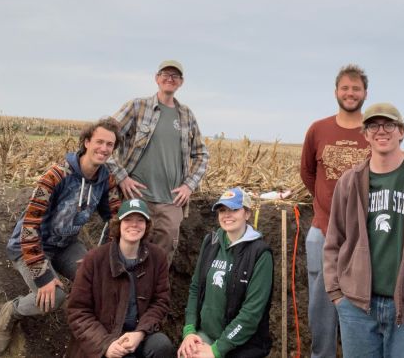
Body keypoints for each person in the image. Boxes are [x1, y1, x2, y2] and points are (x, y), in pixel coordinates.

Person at [324, 103, 404, 358]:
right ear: (365, 134)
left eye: (389, 125)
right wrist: (338, 294)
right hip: (357, 309)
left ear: (402, 132)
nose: (381, 131)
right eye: (373, 125)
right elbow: (334, 241)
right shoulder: (349, 183)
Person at [0, 118, 121, 356]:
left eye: (109, 144)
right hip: (29, 245)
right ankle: (13, 311)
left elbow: (114, 216)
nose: (104, 148)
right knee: (55, 296)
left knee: (97, 280)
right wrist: (43, 274)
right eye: (99, 141)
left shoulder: (105, 180)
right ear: (87, 142)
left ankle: (85, 337)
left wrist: (108, 251)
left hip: (66, 245)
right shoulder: (55, 176)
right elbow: (29, 227)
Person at [299, 63, 371, 358]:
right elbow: (308, 173)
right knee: (321, 302)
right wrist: (327, 203)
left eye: (356, 88)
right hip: (322, 230)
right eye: (345, 88)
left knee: (363, 298)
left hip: (365, 236)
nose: (350, 93)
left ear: (365, 93)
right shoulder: (318, 129)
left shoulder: (374, 129)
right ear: (336, 92)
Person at [113, 60, 209, 264]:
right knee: (128, 249)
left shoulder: (186, 115)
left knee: (162, 257)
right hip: (138, 195)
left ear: (181, 82)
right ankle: (123, 293)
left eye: (175, 76)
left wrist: (189, 186)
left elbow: (202, 155)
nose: (170, 78)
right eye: (165, 74)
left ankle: (153, 295)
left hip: (171, 200)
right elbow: (105, 137)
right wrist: (122, 177)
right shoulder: (137, 106)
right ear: (157, 78)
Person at [66, 199, 173, 358]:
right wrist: (106, 344)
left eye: (140, 220)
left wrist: (140, 333)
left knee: (162, 346)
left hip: (139, 334)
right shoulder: (94, 259)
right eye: (128, 219)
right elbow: (78, 311)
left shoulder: (157, 257)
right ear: (118, 224)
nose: (134, 225)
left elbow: (160, 301)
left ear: (146, 225)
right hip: (105, 337)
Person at [178, 187, 273, 358]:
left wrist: (216, 350)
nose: (227, 215)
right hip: (205, 336)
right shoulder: (210, 242)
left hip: (242, 344)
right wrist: (190, 330)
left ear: (247, 214)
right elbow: (195, 288)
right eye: (222, 210)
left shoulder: (260, 254)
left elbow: (251, 313)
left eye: (234, 209)